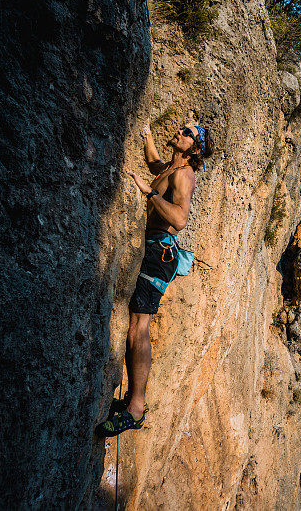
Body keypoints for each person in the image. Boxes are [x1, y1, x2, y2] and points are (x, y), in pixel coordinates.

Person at [96, 122, 213, 437]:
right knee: (135, 323)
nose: (180, 131)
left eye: (187, 133)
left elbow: (180, 218)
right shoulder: (169, 167)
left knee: (139, 326)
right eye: (182, 128)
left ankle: (135, 408)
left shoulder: (183, 175)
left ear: (196, 148)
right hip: (152, 249)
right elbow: (152, 162)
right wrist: (147, 134)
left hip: (161, 253)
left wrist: (148, 193)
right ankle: (133, 403)